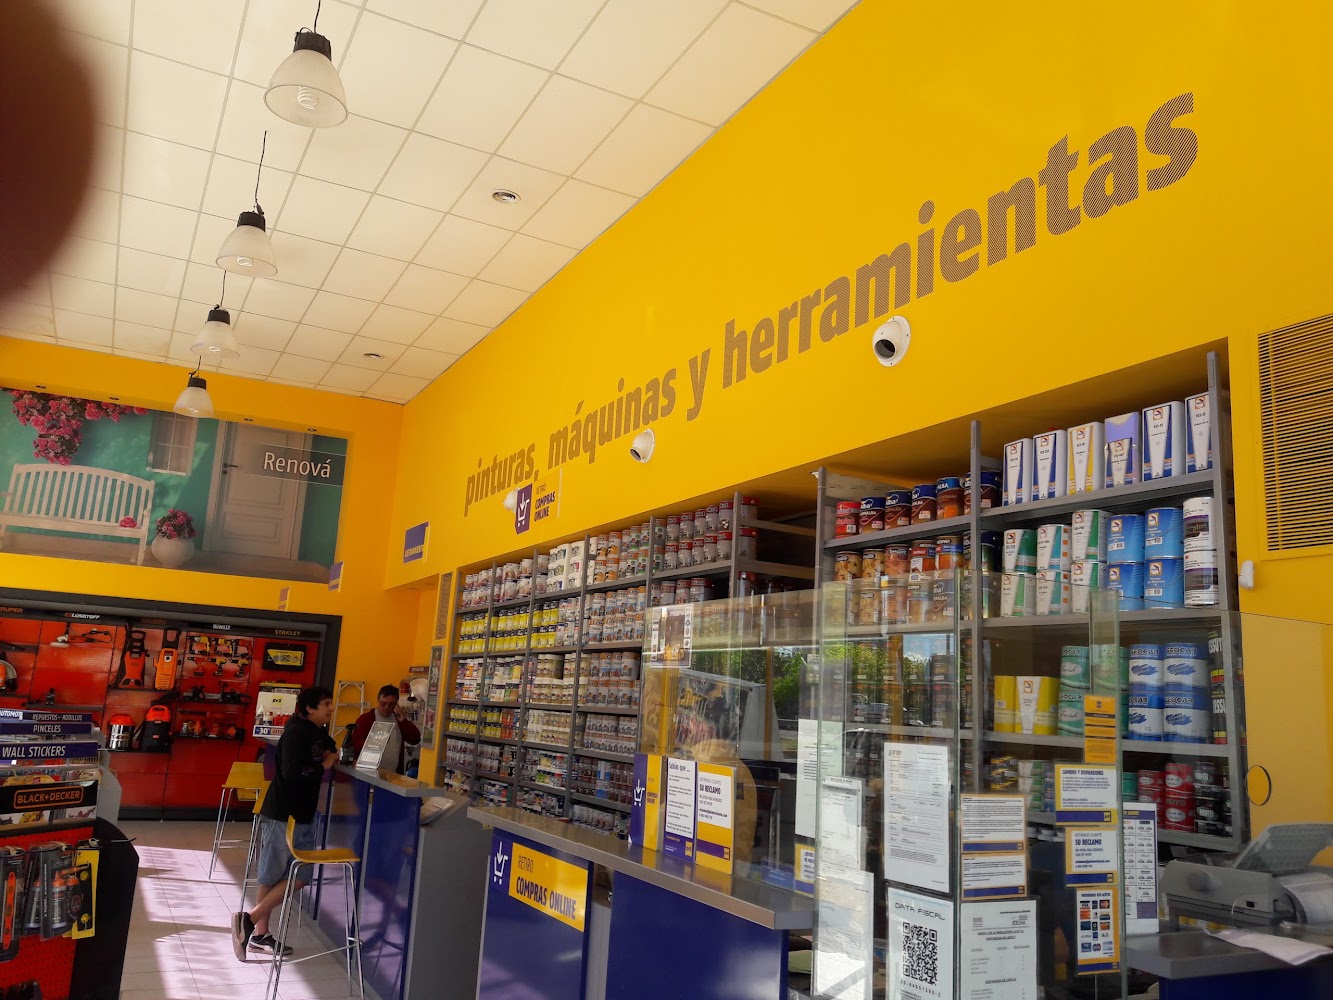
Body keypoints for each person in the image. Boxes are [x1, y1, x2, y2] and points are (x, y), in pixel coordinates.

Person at [232, 685, 336, 961]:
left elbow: (330, 747)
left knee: (299, 875)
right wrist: (323, 766)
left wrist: (330, 753)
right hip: (283, 813)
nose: (331, 708)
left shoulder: (316, 731)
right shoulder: (296, 732)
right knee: (273, 874)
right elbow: (292, 771)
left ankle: (250, 923)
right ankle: (258, 933)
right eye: (326, 704)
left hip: (301, 813)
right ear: (309, 708)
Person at [350, 685, 420, 774]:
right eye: (383, 703)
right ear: (378, 700)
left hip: (393, 774)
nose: (386, 707)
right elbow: (354, 744)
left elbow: (415, 739)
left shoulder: (398, 719)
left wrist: (404, 721)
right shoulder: (365, 719)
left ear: (396, 704)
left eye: (391, 704)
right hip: (367, 772)